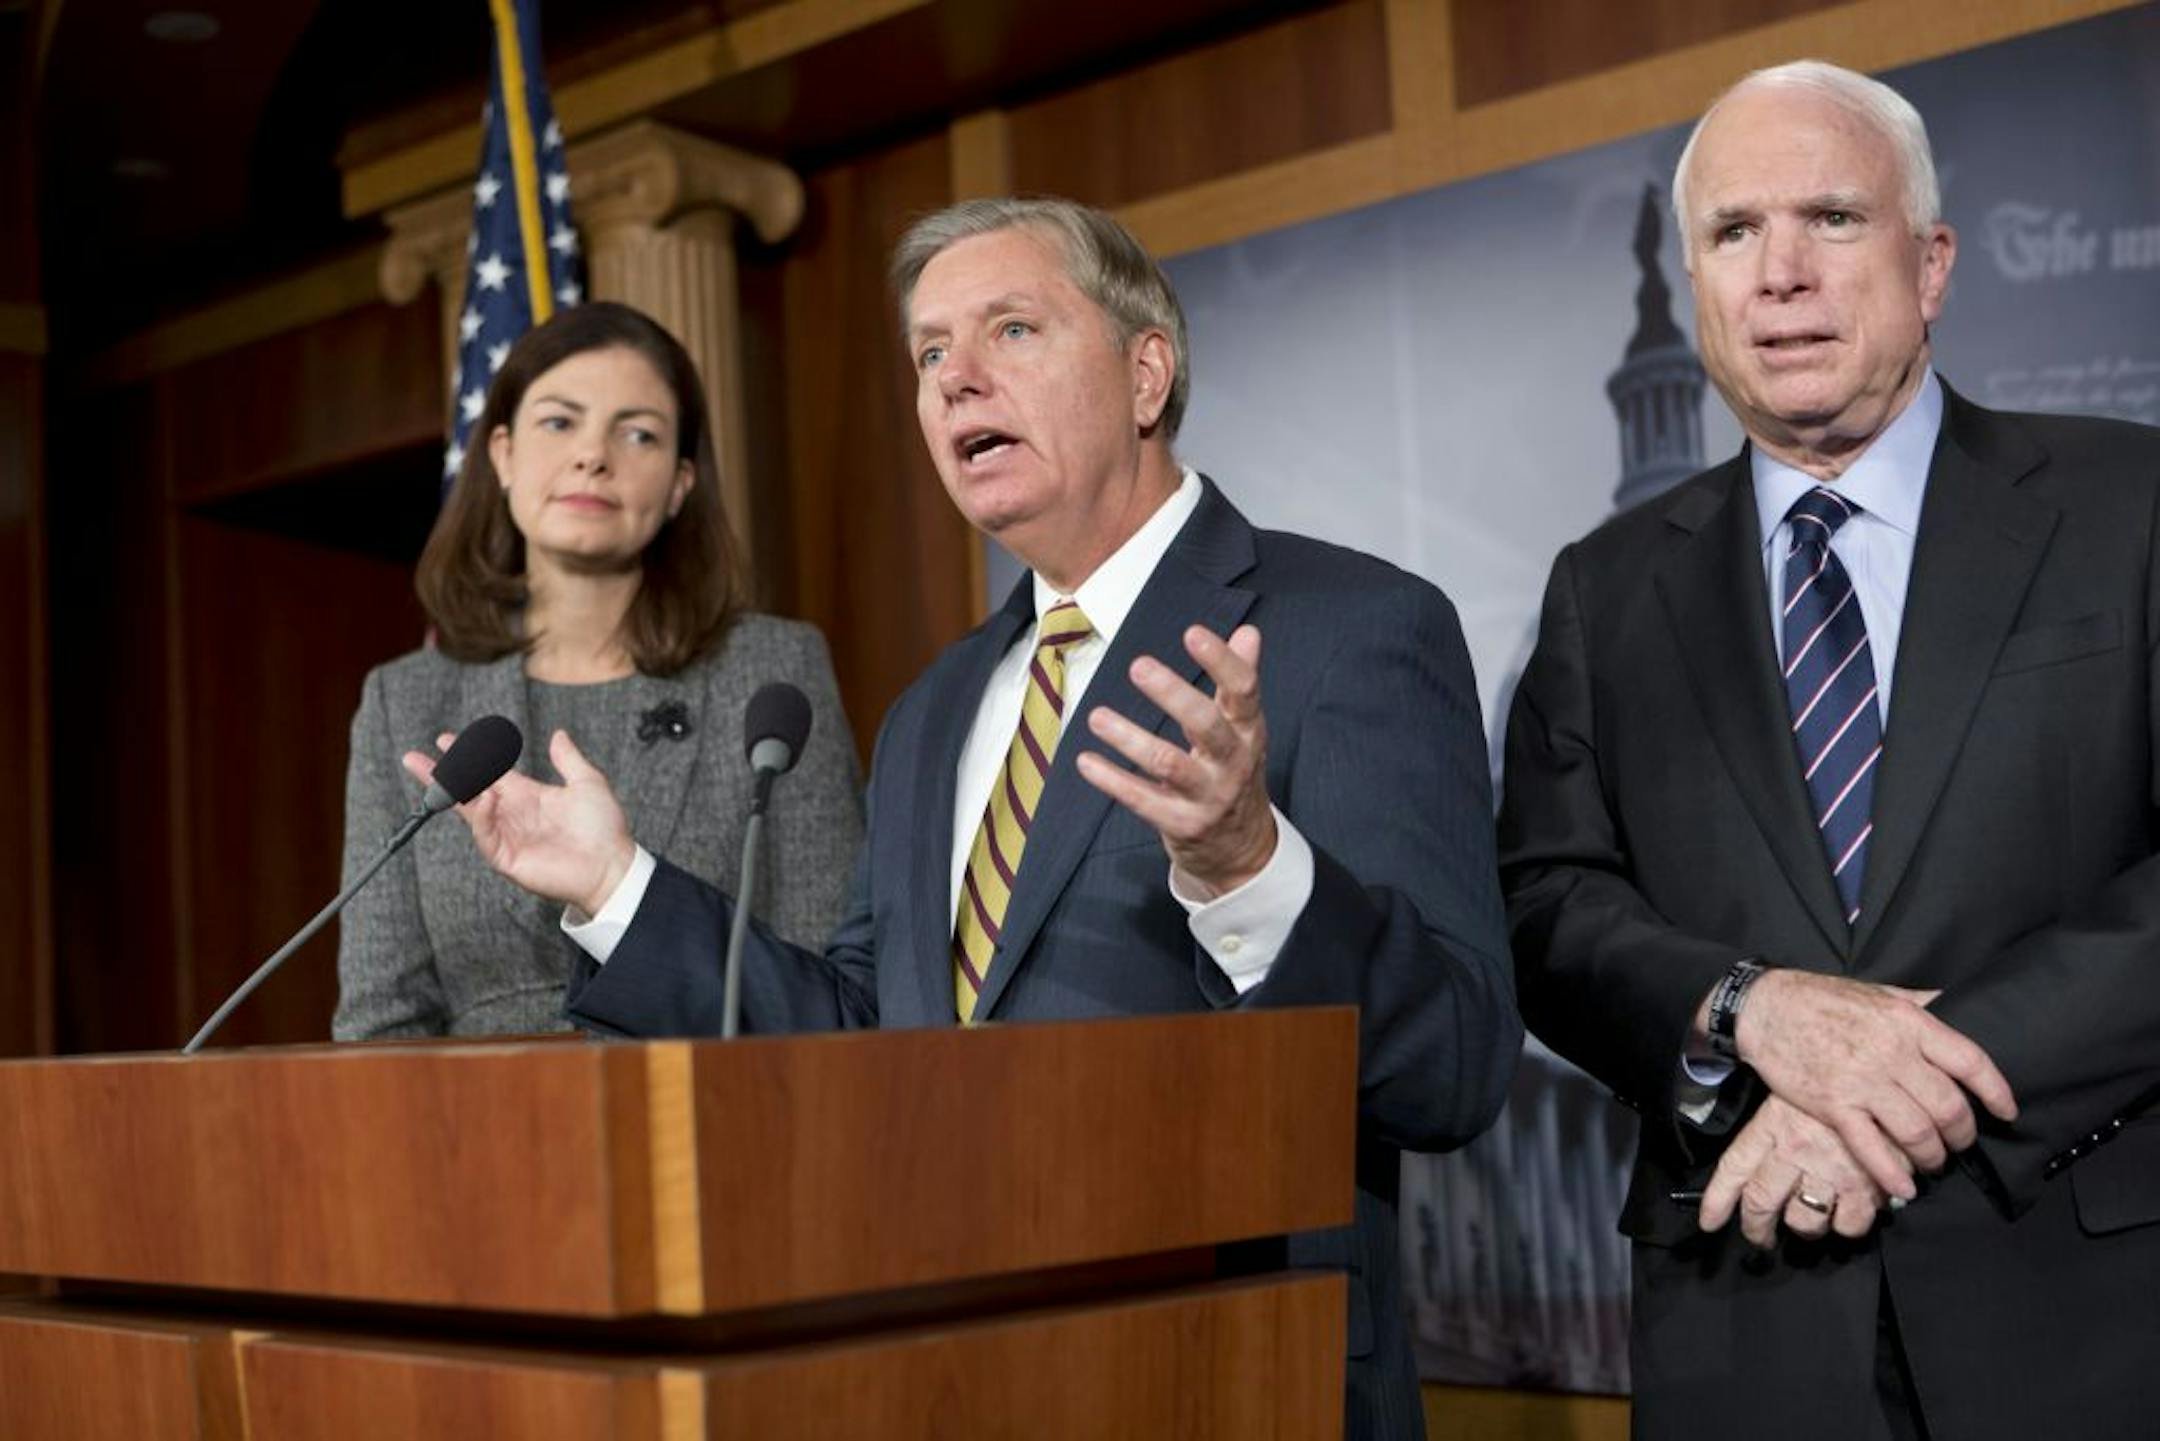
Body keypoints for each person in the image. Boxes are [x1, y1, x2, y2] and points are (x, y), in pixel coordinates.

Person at [412, 197, 1521, 1439]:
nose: (956, 380)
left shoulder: (1350, 629)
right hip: (951, 1375)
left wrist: (1251, 867)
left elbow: (1459, 1063)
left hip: (1228, 1377)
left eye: (1010, 329)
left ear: (1146, 371)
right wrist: (614, 886)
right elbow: (866, 1038)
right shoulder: (935, 709)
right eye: (932, 354)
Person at [1501, 59, 2160, 1441]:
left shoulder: (2130, 505)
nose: (1781, 273)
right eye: (1735, 233)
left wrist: (1903, 1077)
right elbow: (1549, 910)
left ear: (1932, 265)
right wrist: (1752, 1009)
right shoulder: (1603, 588)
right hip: (1748, 1318)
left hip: (2089, 1308)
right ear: (1696, 284)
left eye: (1831, 221)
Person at [333, 301, 863, 1040]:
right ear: (503, 454)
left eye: (637, 432)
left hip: (710, 1118)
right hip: (474, 1135)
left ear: (680, 484)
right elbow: (381, 1018)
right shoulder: (405, 699)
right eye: (560, 422)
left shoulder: (771, 674)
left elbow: (826, 983)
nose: (594, 455)